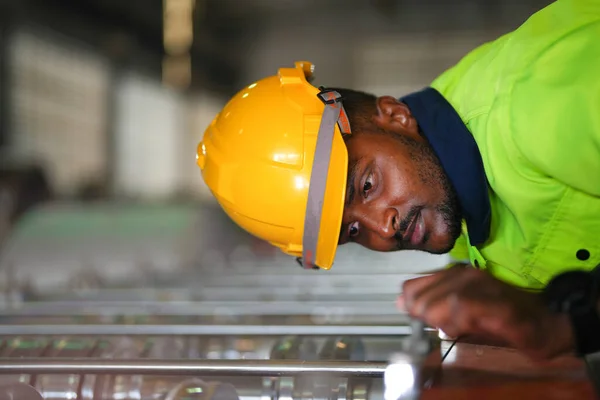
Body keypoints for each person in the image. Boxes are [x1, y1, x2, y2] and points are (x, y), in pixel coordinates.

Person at [196, 0, 600, 361]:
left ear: (393, 114)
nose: (383, 228)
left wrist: (561, 323)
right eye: (352, 231)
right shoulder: (462, 216)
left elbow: (558, 325)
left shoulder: (542, 100)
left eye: (366, 185)